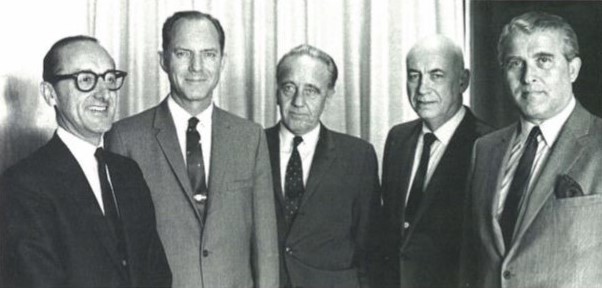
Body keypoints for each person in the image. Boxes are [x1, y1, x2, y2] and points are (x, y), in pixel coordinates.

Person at [106, 11, 279, 288]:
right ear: (163, 60)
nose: (196, 67)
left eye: (209, 54)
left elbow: (266, 247)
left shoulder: (250, 137)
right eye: (183, 53)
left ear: (223, 62)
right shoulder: (126, 137)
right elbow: (118, 250)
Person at [0, 35, 172, 288]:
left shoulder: (128, 172)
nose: (103, 93)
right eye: (86, 80)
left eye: (109, 79)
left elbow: (157, 272)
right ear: (50, 94)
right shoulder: (22, 185)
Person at [459, 11, 602, 288]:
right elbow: (471, 263)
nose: (528, 76)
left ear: (573, 69)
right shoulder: (485, 150)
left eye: (543, 60)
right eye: (515, 63)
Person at [379, 35, 491, 288]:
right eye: (414, 75)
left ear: (463, 80)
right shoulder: (398, 138)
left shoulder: (488, 145)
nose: (422, 89)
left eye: (436, 75)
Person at [264, 44, 380, 288]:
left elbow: (369, 249)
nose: (298, 101)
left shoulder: (358, 157)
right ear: (276, 92)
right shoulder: (250, 147)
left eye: (311, 91)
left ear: (329, 96)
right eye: (289, 88)